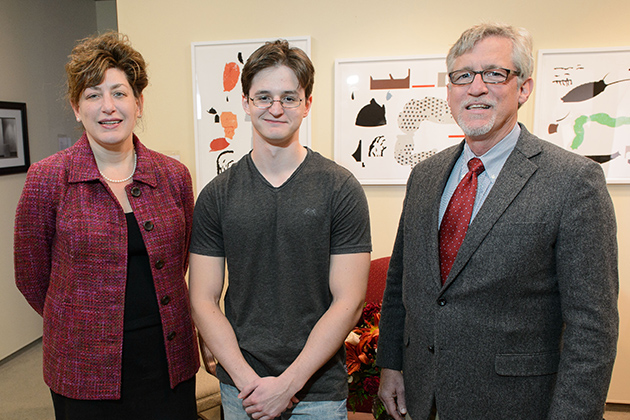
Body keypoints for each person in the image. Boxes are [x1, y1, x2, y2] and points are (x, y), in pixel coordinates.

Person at [377, 23, 619, 420]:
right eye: (463, 76)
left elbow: (592, 327)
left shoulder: (573, 181)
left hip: (518, 405)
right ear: (450, 89)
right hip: (424, 400)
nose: (475, 88)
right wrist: (391, 365)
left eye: (494, 74)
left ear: (523, 88)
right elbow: (401, 283)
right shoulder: (424, 176)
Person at [14, 32, 199, 419]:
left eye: (119, 93)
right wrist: (78, 322)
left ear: (139, 102)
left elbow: (180, 259)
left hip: (167, 357)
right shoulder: (47, 177)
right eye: (93, 95)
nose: (108, 107)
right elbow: (31, 275)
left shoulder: (173, 176)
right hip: (81, 366)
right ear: (76, 108)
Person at [189, 39, 372, 420]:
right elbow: (203, 300)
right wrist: (245, 380)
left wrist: (289, 383)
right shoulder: (216, 195)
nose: (276, 108)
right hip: (243, 388)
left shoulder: (340, 188)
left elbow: (349, 301)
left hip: (318, 390)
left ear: (307, 104)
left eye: (289, 97)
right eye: (263, 97)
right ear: (245, 102)